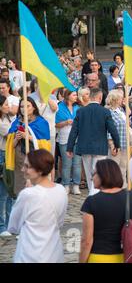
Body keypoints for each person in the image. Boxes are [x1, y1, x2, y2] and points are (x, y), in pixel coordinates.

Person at [79, 159, 132, 263]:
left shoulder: (91, 202)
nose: (91, 177)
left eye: (94, 173)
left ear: (103, 175)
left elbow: (86, 241)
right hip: (127, 256)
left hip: (99, 257)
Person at [8, 150, 68, 263]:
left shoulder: (28, 194)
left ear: (39, 170)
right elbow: (60, 222)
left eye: (27, 166)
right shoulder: (61, 190)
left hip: (30, 254)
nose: (23, 169)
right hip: (54, 251)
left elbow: (13, 226)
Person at [66, 88, 121, 195]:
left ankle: (93, 194)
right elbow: (113, 130)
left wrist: (69, 147)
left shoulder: (81, 111)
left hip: (85, 147)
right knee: (98, 172)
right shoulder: (105, 111)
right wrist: (117, 144)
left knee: (89, 173)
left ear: (90, 97)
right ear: (100, 98)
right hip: (100, 147)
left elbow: (74, 131)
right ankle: (94, 195)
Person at [55, 90, 82, 195]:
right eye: (74, 94)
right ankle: (66, 184)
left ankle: (76, 185)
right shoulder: (60, 107)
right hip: (64, 138)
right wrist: (66, 122)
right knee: (66, 163)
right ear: (67, 96)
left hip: (77, 138)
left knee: (77, 164)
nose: (76, 96)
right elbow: (56, 124)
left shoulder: (78, 107)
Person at [105, 90, 130, 185]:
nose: (122, 100)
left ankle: (123, 186)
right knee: (114, 167)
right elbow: (108, 130)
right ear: (115, 100)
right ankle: (113, 187)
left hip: (124, 142)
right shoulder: (108, 111)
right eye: (120, 98)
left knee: (123, 167)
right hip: (116, 144)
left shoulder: (120, 110)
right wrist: (112, 145)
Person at [0, 95, 13, 236]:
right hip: (1, 154)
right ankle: (1, 225)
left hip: (8, 154)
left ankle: (10, 224)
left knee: (10, 191)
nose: (8, 106)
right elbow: (9, 132)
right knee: (2, 193)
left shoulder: (8, 118)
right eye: (5, 104)